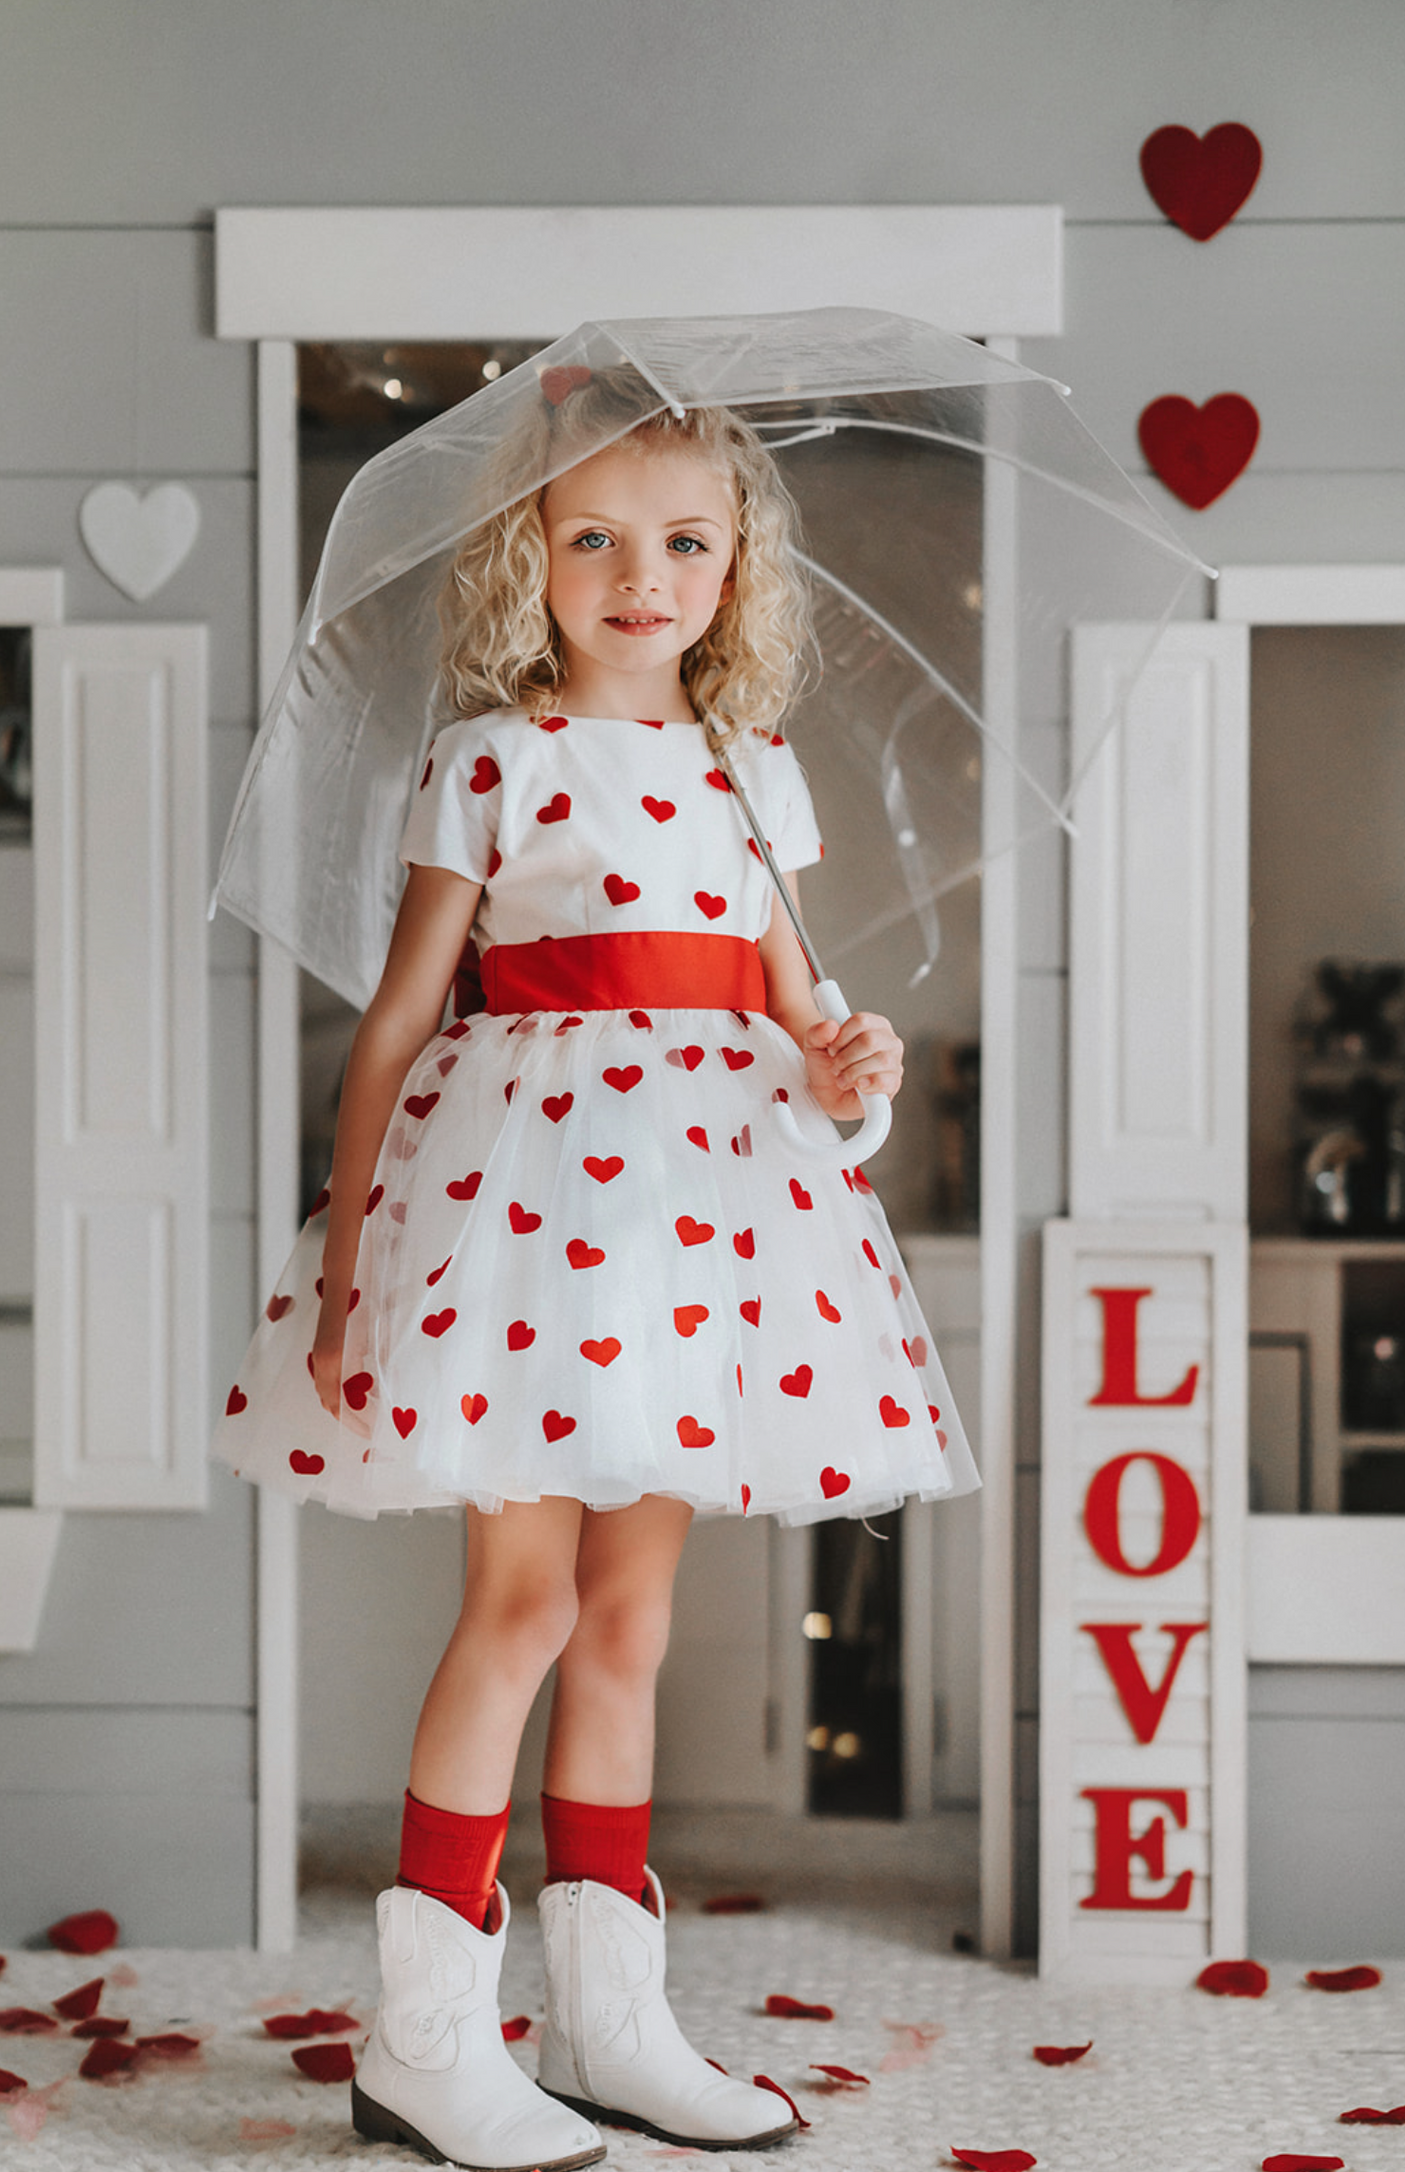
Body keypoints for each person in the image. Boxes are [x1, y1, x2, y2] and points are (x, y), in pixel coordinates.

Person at [216, 368, 972, 2172]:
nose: (646, 574)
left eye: (686, 540)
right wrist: (343, 1277)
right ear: (530, 557)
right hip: (531, 1223)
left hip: (703, 1241)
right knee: (525, 1610)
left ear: (736, 563)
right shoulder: (497, 758)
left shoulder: (749, 770)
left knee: (634, 1624)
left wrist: (846, 1074)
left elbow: (800, 1024)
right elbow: (401, 1022)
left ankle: (614, 2027)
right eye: (598, 539)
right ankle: (426, 2040)